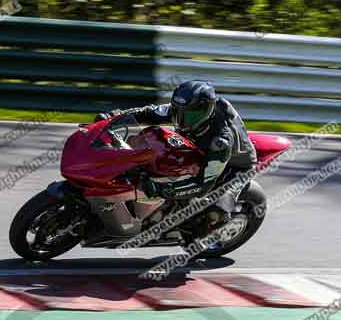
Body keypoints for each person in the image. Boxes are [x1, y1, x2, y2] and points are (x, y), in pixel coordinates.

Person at [95, 80, 257, 230]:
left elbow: (202, 184)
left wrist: (161, 189)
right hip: (199, 147)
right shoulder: (183, 109)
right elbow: (148, 112)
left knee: (216, 211)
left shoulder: (220, 141)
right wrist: (113, 117)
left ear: (206, 110)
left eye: (189, 115)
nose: (181, 119)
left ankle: (197, 240)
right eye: (179, 112)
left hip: (235, 167)